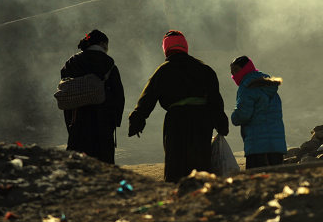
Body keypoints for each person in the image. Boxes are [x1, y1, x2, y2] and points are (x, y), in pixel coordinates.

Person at [128, 30, 229, 182]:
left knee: (176, 162)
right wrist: (221, 124)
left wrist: (137, 120)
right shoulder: (205, 70)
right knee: (200, 160)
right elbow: (216, 101)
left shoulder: (163, 70)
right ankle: (201, 194)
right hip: (202, 121)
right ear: (185, 47)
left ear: (166, 49)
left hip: (176, 122)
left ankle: (177, 194)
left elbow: (147, 98)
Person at [60, 29, 126, 164]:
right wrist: (114, 121)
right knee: (104, 162)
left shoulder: (71, 63)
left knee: (78, 162)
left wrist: (69, 123)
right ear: (102, 44)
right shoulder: (109, 63)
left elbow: (65, 93)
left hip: (77, 120)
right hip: (102, 121)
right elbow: (119, 95)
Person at [229, 56, 287, 169]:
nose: (234, 75)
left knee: (257, 181)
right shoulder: (269, 84)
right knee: (275, 180)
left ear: (246, 69)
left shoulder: (247, 86)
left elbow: (243, 115)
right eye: (232, 72)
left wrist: (233, 117)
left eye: (236, 70)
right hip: (276, 144)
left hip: (257, 145)